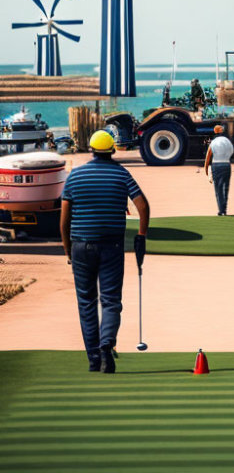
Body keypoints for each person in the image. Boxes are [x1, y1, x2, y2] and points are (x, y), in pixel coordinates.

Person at [60, 130, 149, 373]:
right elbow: (142, 205)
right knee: (111, 301)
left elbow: (64, 219)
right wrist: (141, 236)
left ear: (91, 149)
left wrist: (68, 250)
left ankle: (93, 359)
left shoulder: (76, 175)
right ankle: (106, 345)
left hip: (81, 245)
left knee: (87, 302)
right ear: (112, 150)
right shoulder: (121, 174)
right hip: (112, 245)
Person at [204, 124, 234, 215]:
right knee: (226, 188)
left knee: (218, 189)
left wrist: (206, 170)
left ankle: (221, 210)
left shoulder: (213, 142)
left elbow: (208, 157)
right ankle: (224, 209)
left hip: (216, 165)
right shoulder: (227, 141)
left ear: (215, 132)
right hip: (226, 165)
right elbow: (231, 151)